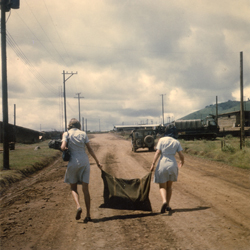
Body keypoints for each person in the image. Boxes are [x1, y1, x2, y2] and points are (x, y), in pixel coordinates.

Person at [61, 118, 102, 222]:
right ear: (79, 125)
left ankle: (78, 206)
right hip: (84, 162)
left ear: (69, 126)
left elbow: (62, 147)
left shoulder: (66, 134)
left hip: (73, 162)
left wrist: (65, 148)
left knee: (73, 187)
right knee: (85, 189)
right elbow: (90, 149)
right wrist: (97, 162)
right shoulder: (83, 134)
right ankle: (88, 214)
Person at [150, 124, 184, 213]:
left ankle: (164, 201)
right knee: (169, 186)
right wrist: (181, 161)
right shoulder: (176, 142)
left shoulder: (161, 140)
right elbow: (181, 154)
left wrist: (153, 164)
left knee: (162, 186)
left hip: (162, 163)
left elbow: (157, 152)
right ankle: (168, 205)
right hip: (172, 164)